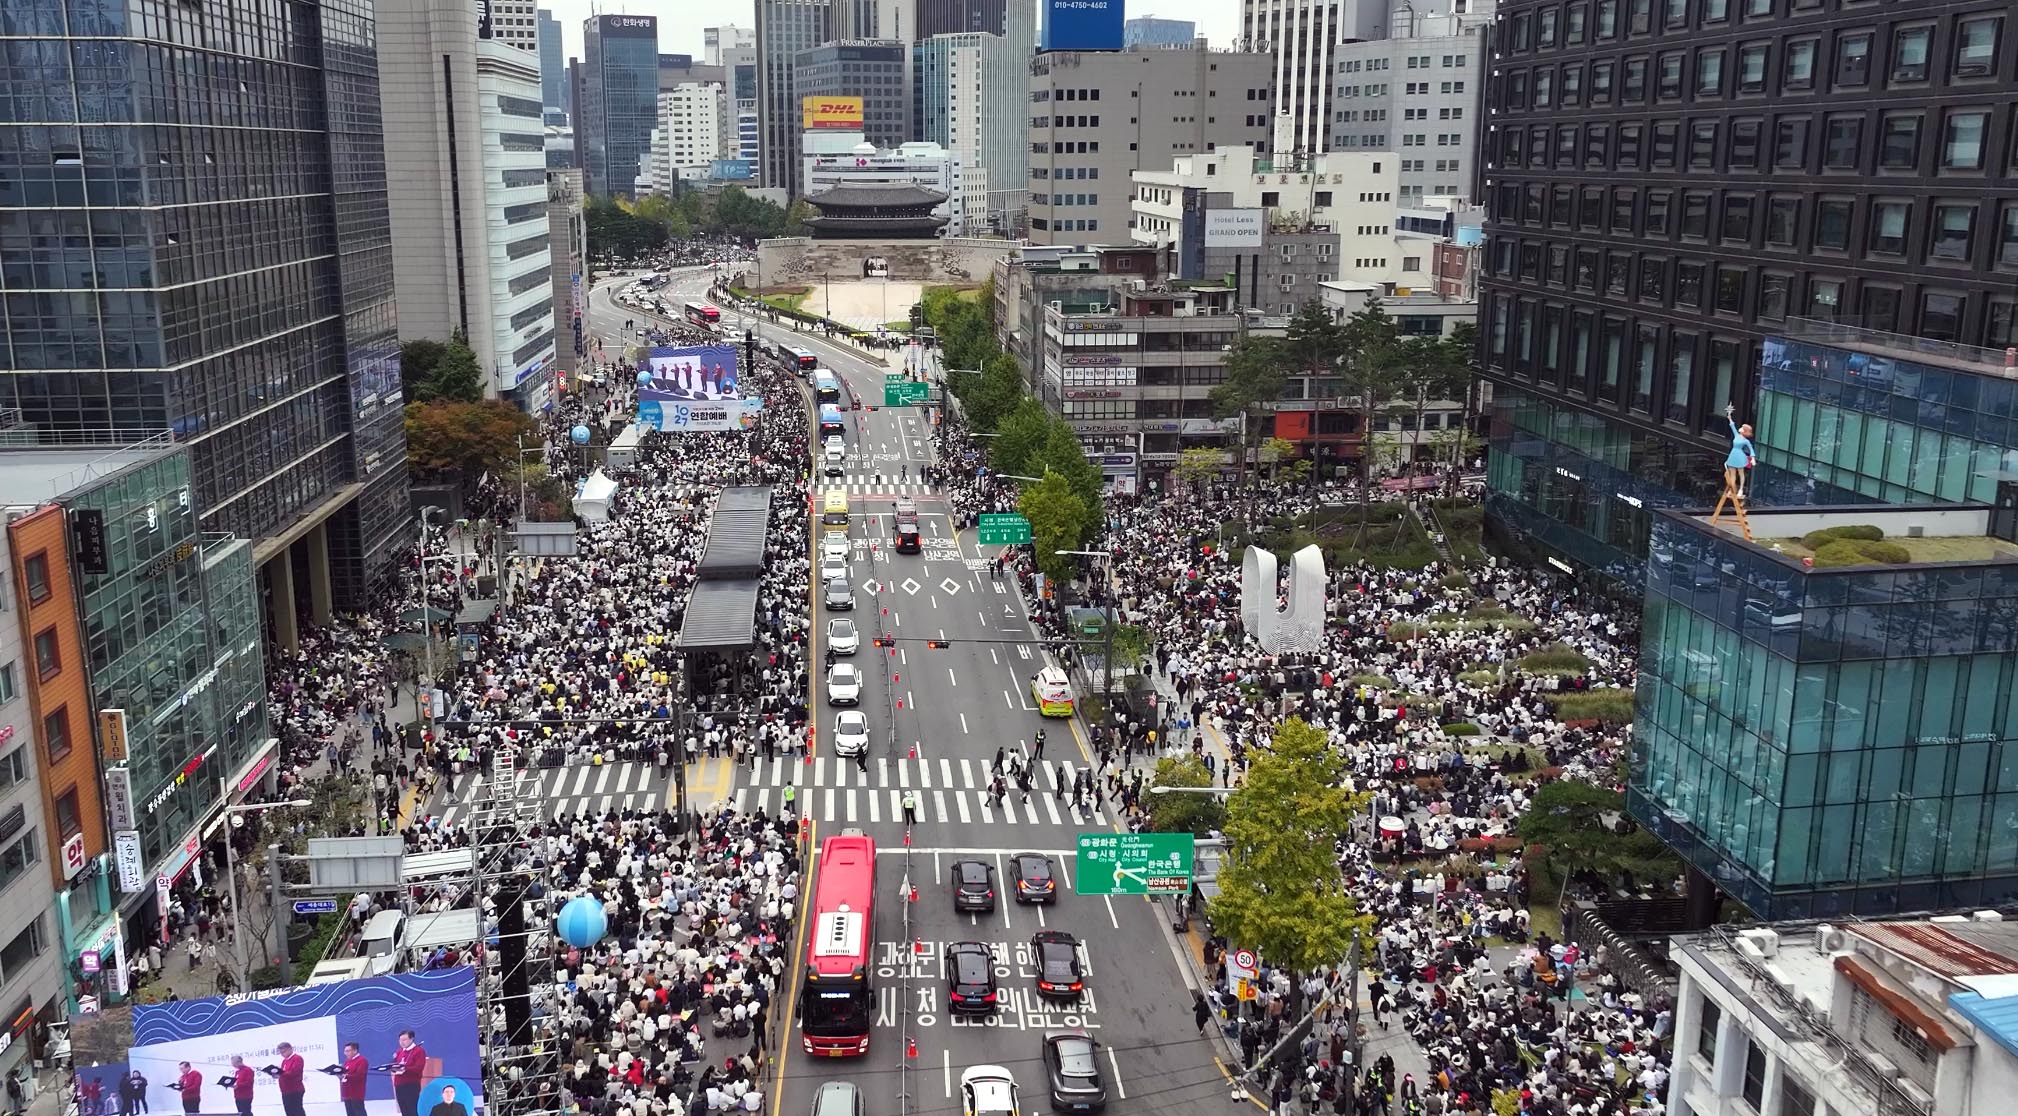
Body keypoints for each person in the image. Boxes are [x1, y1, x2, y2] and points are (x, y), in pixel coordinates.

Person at [391, 1030, 428, 1116]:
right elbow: (394, 1065)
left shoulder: (419, 1051)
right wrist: (392, 1068)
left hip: (411, 1084)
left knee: (412, 1109)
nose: (402, 1042)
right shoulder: (399, 1052)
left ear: (412, 1039)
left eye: (404, 1040)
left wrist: (404, 1068)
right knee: (404, 1110)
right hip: (399, 1084)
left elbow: (418, 1068)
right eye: (400, 1040)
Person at [1723, 404, 1755, 500]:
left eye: (1742, 428)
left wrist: (1752, 458)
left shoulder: (1745, 441)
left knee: (1741, 473)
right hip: (1734, 454)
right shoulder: (1737, 435)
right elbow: (1732, 426)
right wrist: (1729, 417)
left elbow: (1751, 449)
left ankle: (1741, 489)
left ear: (1745, 431)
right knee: (1732, 473)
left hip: (1740, 456)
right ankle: (1732, 489)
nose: (1740, 428)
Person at [275, 1041, 307, 1116]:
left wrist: (281, 1074)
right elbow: (283, 1073)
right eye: (281, 1053)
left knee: (297, 1111)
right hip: (285, 1090)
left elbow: (294, 1072)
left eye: (284, 1052)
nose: (282, 1054)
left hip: (295, 1089)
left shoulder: (297, 1058)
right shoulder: (284, 1061)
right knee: (289, 1111)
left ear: (290, 1049)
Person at [339, 1042, 370, 1116]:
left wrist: (345, 1076)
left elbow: (359, 1076)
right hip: (347, 1092)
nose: (345, 1053)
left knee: (359, 1112)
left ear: (355, 1051)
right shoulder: (347, 1062)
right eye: (345, 1051)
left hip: (356, 1093)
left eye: (348, 1051)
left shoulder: (362, 1060)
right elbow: (345, 1076)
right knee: (350, 1113)